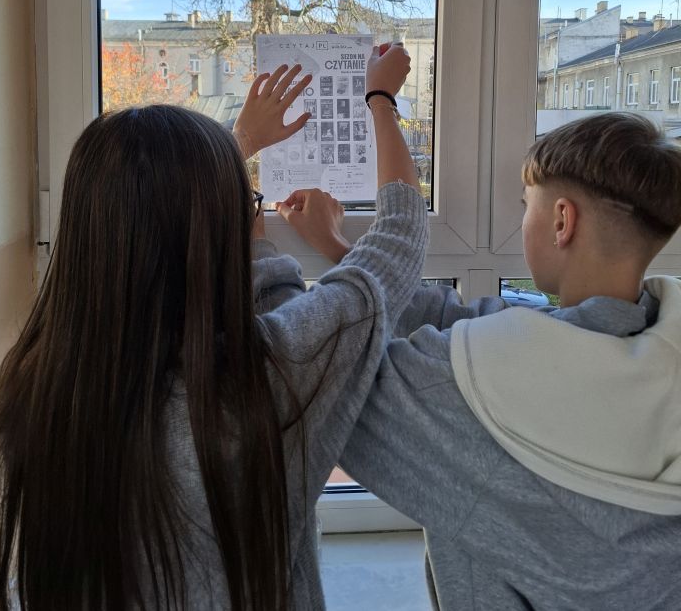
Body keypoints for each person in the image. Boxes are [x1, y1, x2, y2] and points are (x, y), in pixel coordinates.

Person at [0, 46, 428, 610]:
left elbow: (145, 204)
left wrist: (236, 150)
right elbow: (397, 242)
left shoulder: (35, 393)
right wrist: (381, 99)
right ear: (213, 238)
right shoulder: (255, 384)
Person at [267, 112, 681, 609]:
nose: (521, 222)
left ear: (562, 221)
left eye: (526, 206)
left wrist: (259, 256)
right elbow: (457, 317)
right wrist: (342, 250)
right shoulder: (652, 346)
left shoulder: (470, 397)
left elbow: (317, 372)